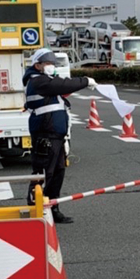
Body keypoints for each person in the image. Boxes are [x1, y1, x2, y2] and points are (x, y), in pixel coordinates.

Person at [23, 48, 97, 224]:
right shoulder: (37, 81)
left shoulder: (47, 81)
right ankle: (35, 208)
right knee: (42, 172)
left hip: (56, 135)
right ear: (37, 65)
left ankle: (52, 207)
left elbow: (63, 86)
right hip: (45, 134)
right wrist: (85, 80)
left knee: (57, 172)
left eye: (52, 63)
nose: (51, 66)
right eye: (47, 63)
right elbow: (63, 85)